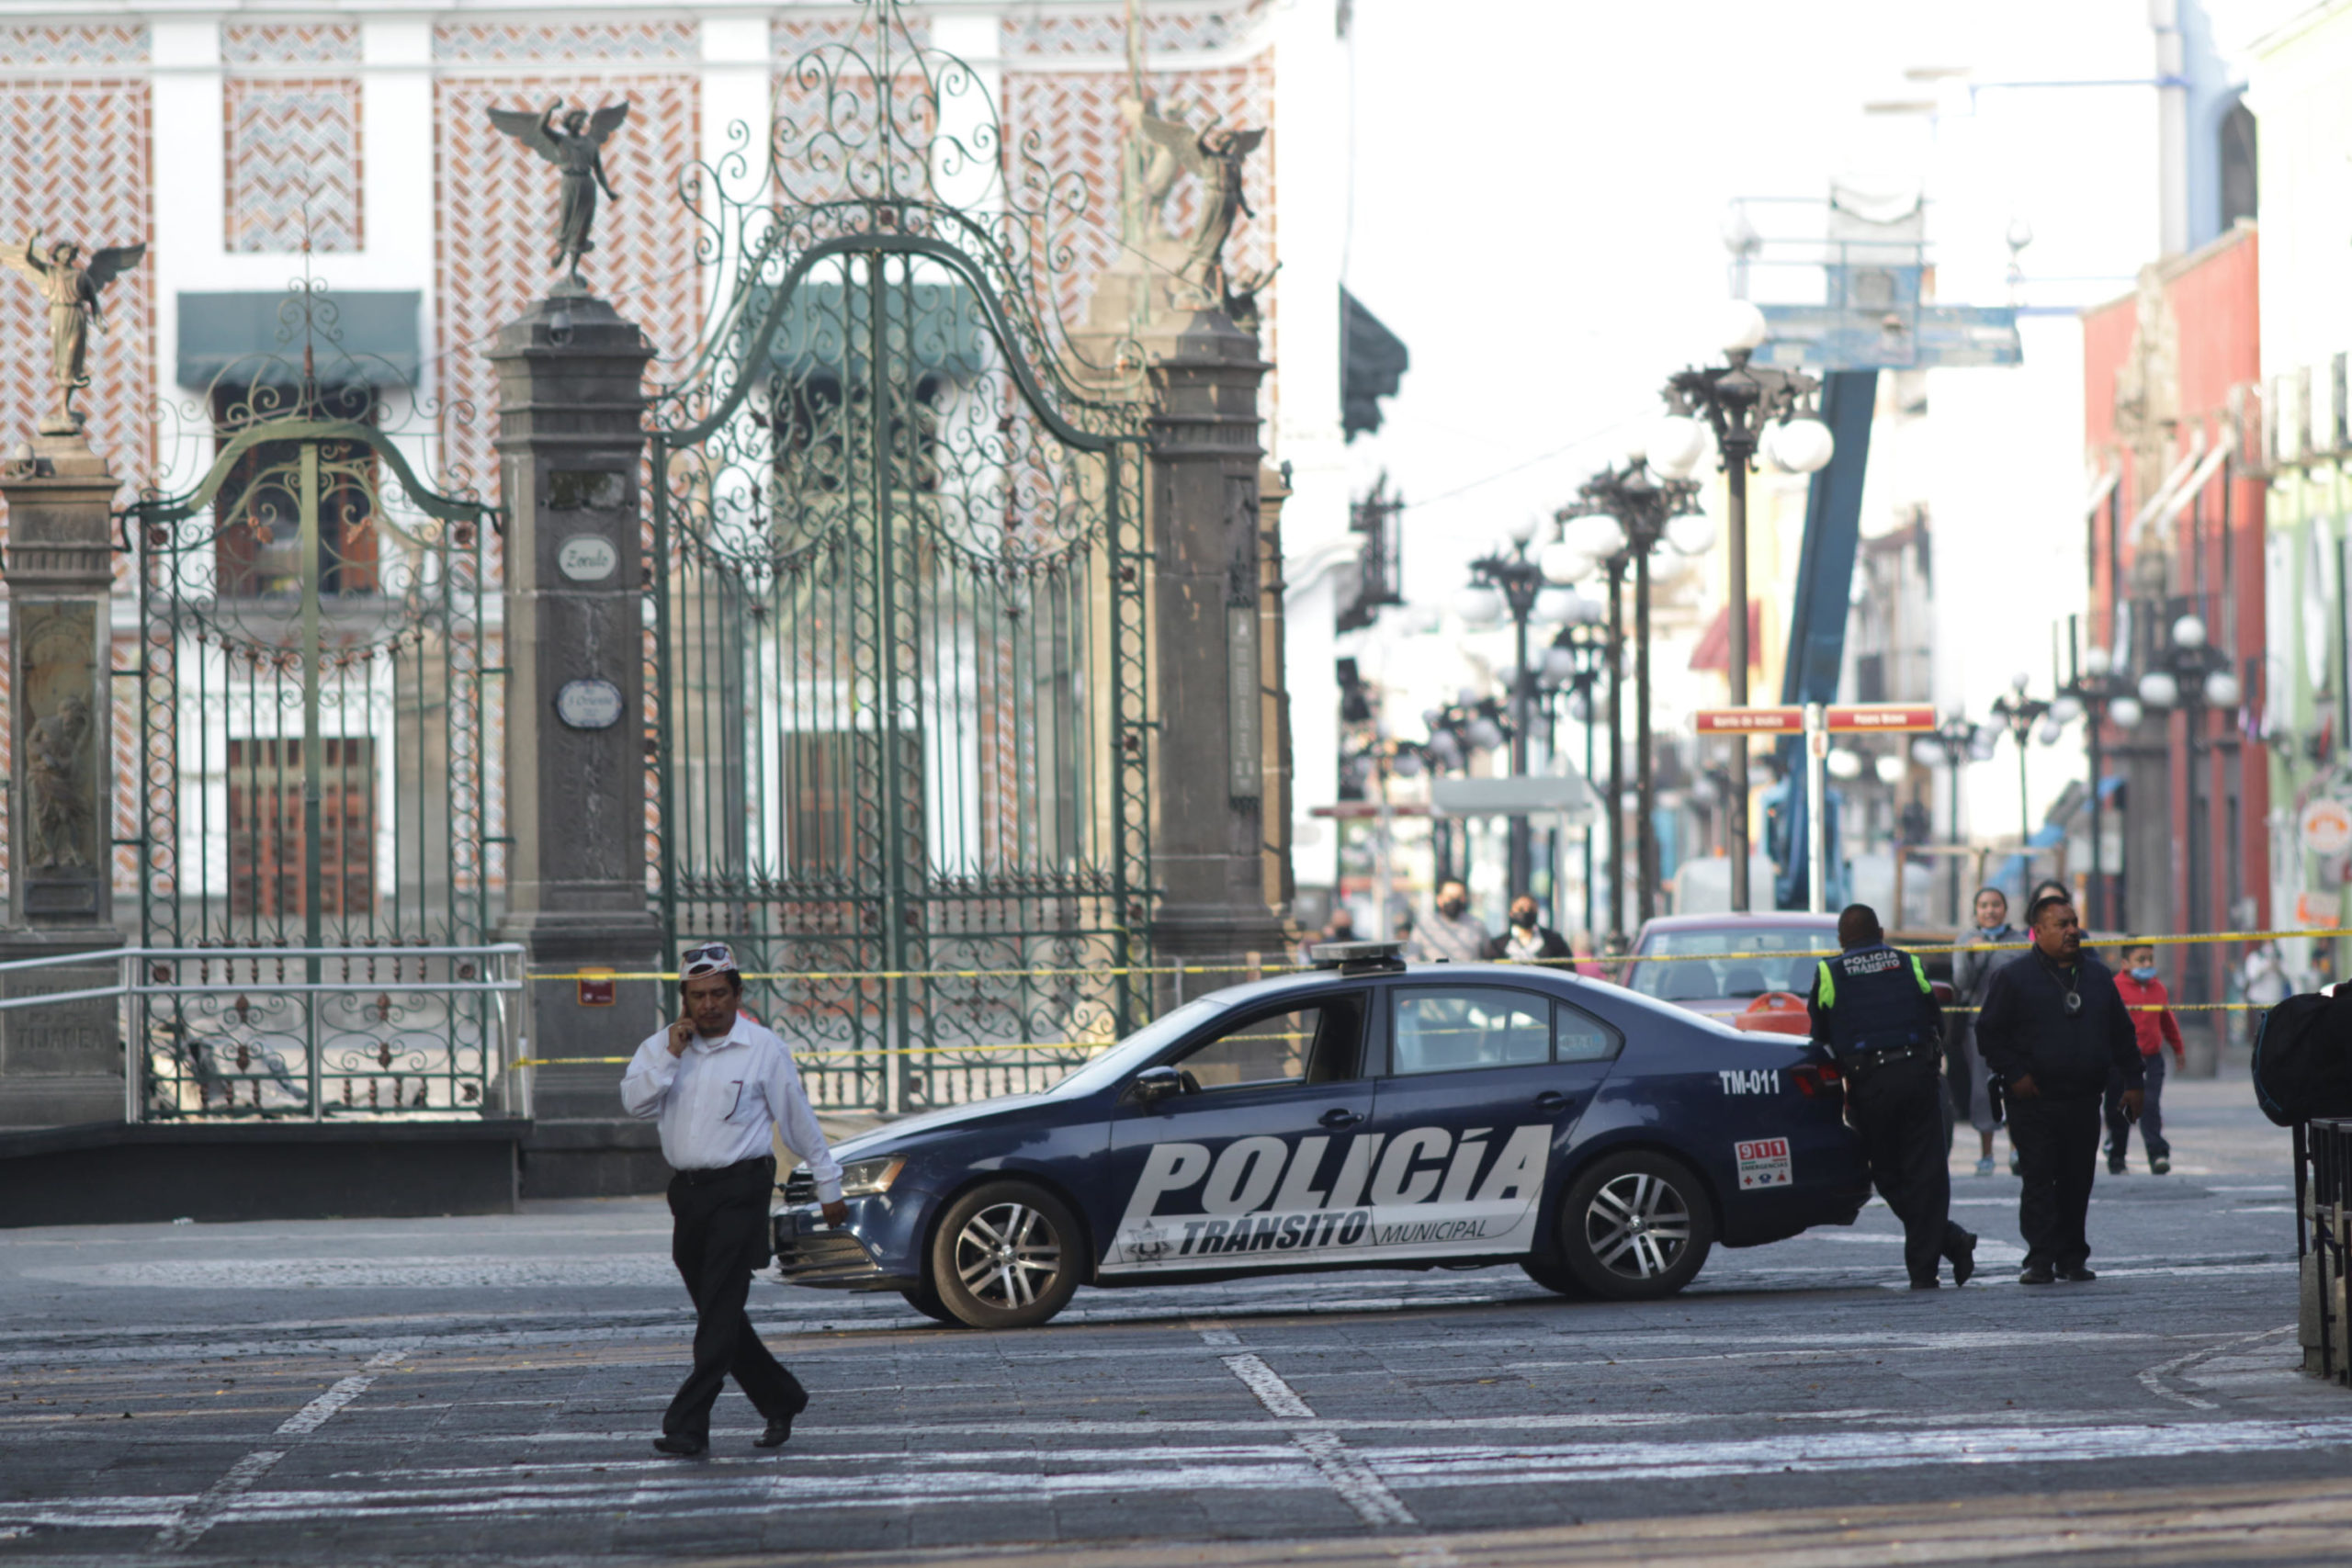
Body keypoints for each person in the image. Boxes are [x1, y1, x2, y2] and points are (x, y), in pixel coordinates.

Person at [621, 942, 844, 1456]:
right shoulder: (663, 1047)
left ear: (737, 993)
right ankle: (780, 1397)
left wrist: (828, 1182)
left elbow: (797, 1121)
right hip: (689, 1195)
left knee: (719, 1312)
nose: (708, 1005)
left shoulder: (763, 1048)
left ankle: (687, 1423)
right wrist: (672, 1056)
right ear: (683, 999)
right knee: (719, 1313)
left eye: (719, 993)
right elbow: (634, 1103)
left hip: (742, 1190)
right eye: (697, 996)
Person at [1805, 904, 1978, 1289]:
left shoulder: (1829, 971)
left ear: (1840, 940)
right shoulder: (1908, 962)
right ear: (1881, 932)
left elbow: (1818, 1037)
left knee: (1886, 1174)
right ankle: (1941, 1250)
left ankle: (1935, 1258)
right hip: (1919, 1077)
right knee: (1927, 1174)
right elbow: (1935, 1017)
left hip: (1872, 1087)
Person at [1974, 895, 2145, 1284]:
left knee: (2077, 1179)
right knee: (2038, 1178)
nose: (2072, 931)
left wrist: (2134, 1082)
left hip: (2084, 1098)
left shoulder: (2098, 976)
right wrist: (2015, 1073)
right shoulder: (2013, 977)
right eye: (2061, 925)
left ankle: (2072, 1256)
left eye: (2074, 923)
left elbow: (2121, 1034)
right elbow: (1989, 1034)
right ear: (2038, 931)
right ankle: (2040, 1258)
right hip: (2032, 1099)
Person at [1948, 887, 2022, 1177]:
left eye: (1995, 905)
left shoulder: (2020, 942)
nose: (1990, 911)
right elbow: (1962, 982)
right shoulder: (1965, 940)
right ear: (1975, 911)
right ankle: (1986, 1154)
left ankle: (2018, 1151)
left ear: (2005, 908)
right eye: (1983, 905)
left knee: (2016, 1086)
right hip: (1976, 1026)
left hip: (2015, 1028)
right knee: (1982, 1090)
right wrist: (1971, 954)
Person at [2109, 942, 2186, 1175]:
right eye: (2140, 959)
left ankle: (2157, 1154)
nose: (2147, 964)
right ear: (2125, 964)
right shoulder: (2114, 988)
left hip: (2151, 1058)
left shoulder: (2158, 988)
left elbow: (2167, 1021)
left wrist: (2177, 1048)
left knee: (2150, 1106)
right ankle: (2117, 1156)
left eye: (2150, 959)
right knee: (2119, 1109)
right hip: (2120, 1059)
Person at [1408, 880, 1491, 964]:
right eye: (1450, 897)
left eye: (1458, 897)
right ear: (1439, 899)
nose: (1454, 902)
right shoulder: (1424, 927)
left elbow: (1489, 956)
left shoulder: (1477, 925)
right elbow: (1411, 958)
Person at [1489, 894, 1573, 964]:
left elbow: (1567, 970)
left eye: (1531, 909)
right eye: (1521, 909)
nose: (1526, 913)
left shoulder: (1554, 942)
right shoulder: (1497, 946)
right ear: (1511, 913)